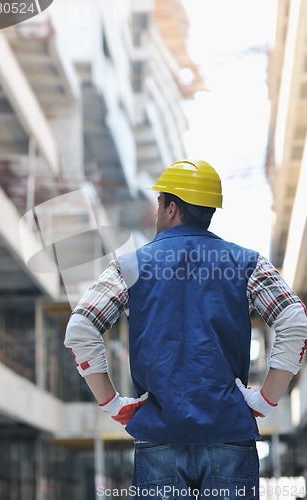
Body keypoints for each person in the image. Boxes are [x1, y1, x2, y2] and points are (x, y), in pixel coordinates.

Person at [65, 160, 307, 499]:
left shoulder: (131, 266)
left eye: (159, 203)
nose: (155, 213)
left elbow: (81, 327)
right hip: (230, 434)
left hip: (158, 437)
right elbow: (294, 320)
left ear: (172, 208)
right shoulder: (246, 262)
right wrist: (266, 399)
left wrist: (113, 404)